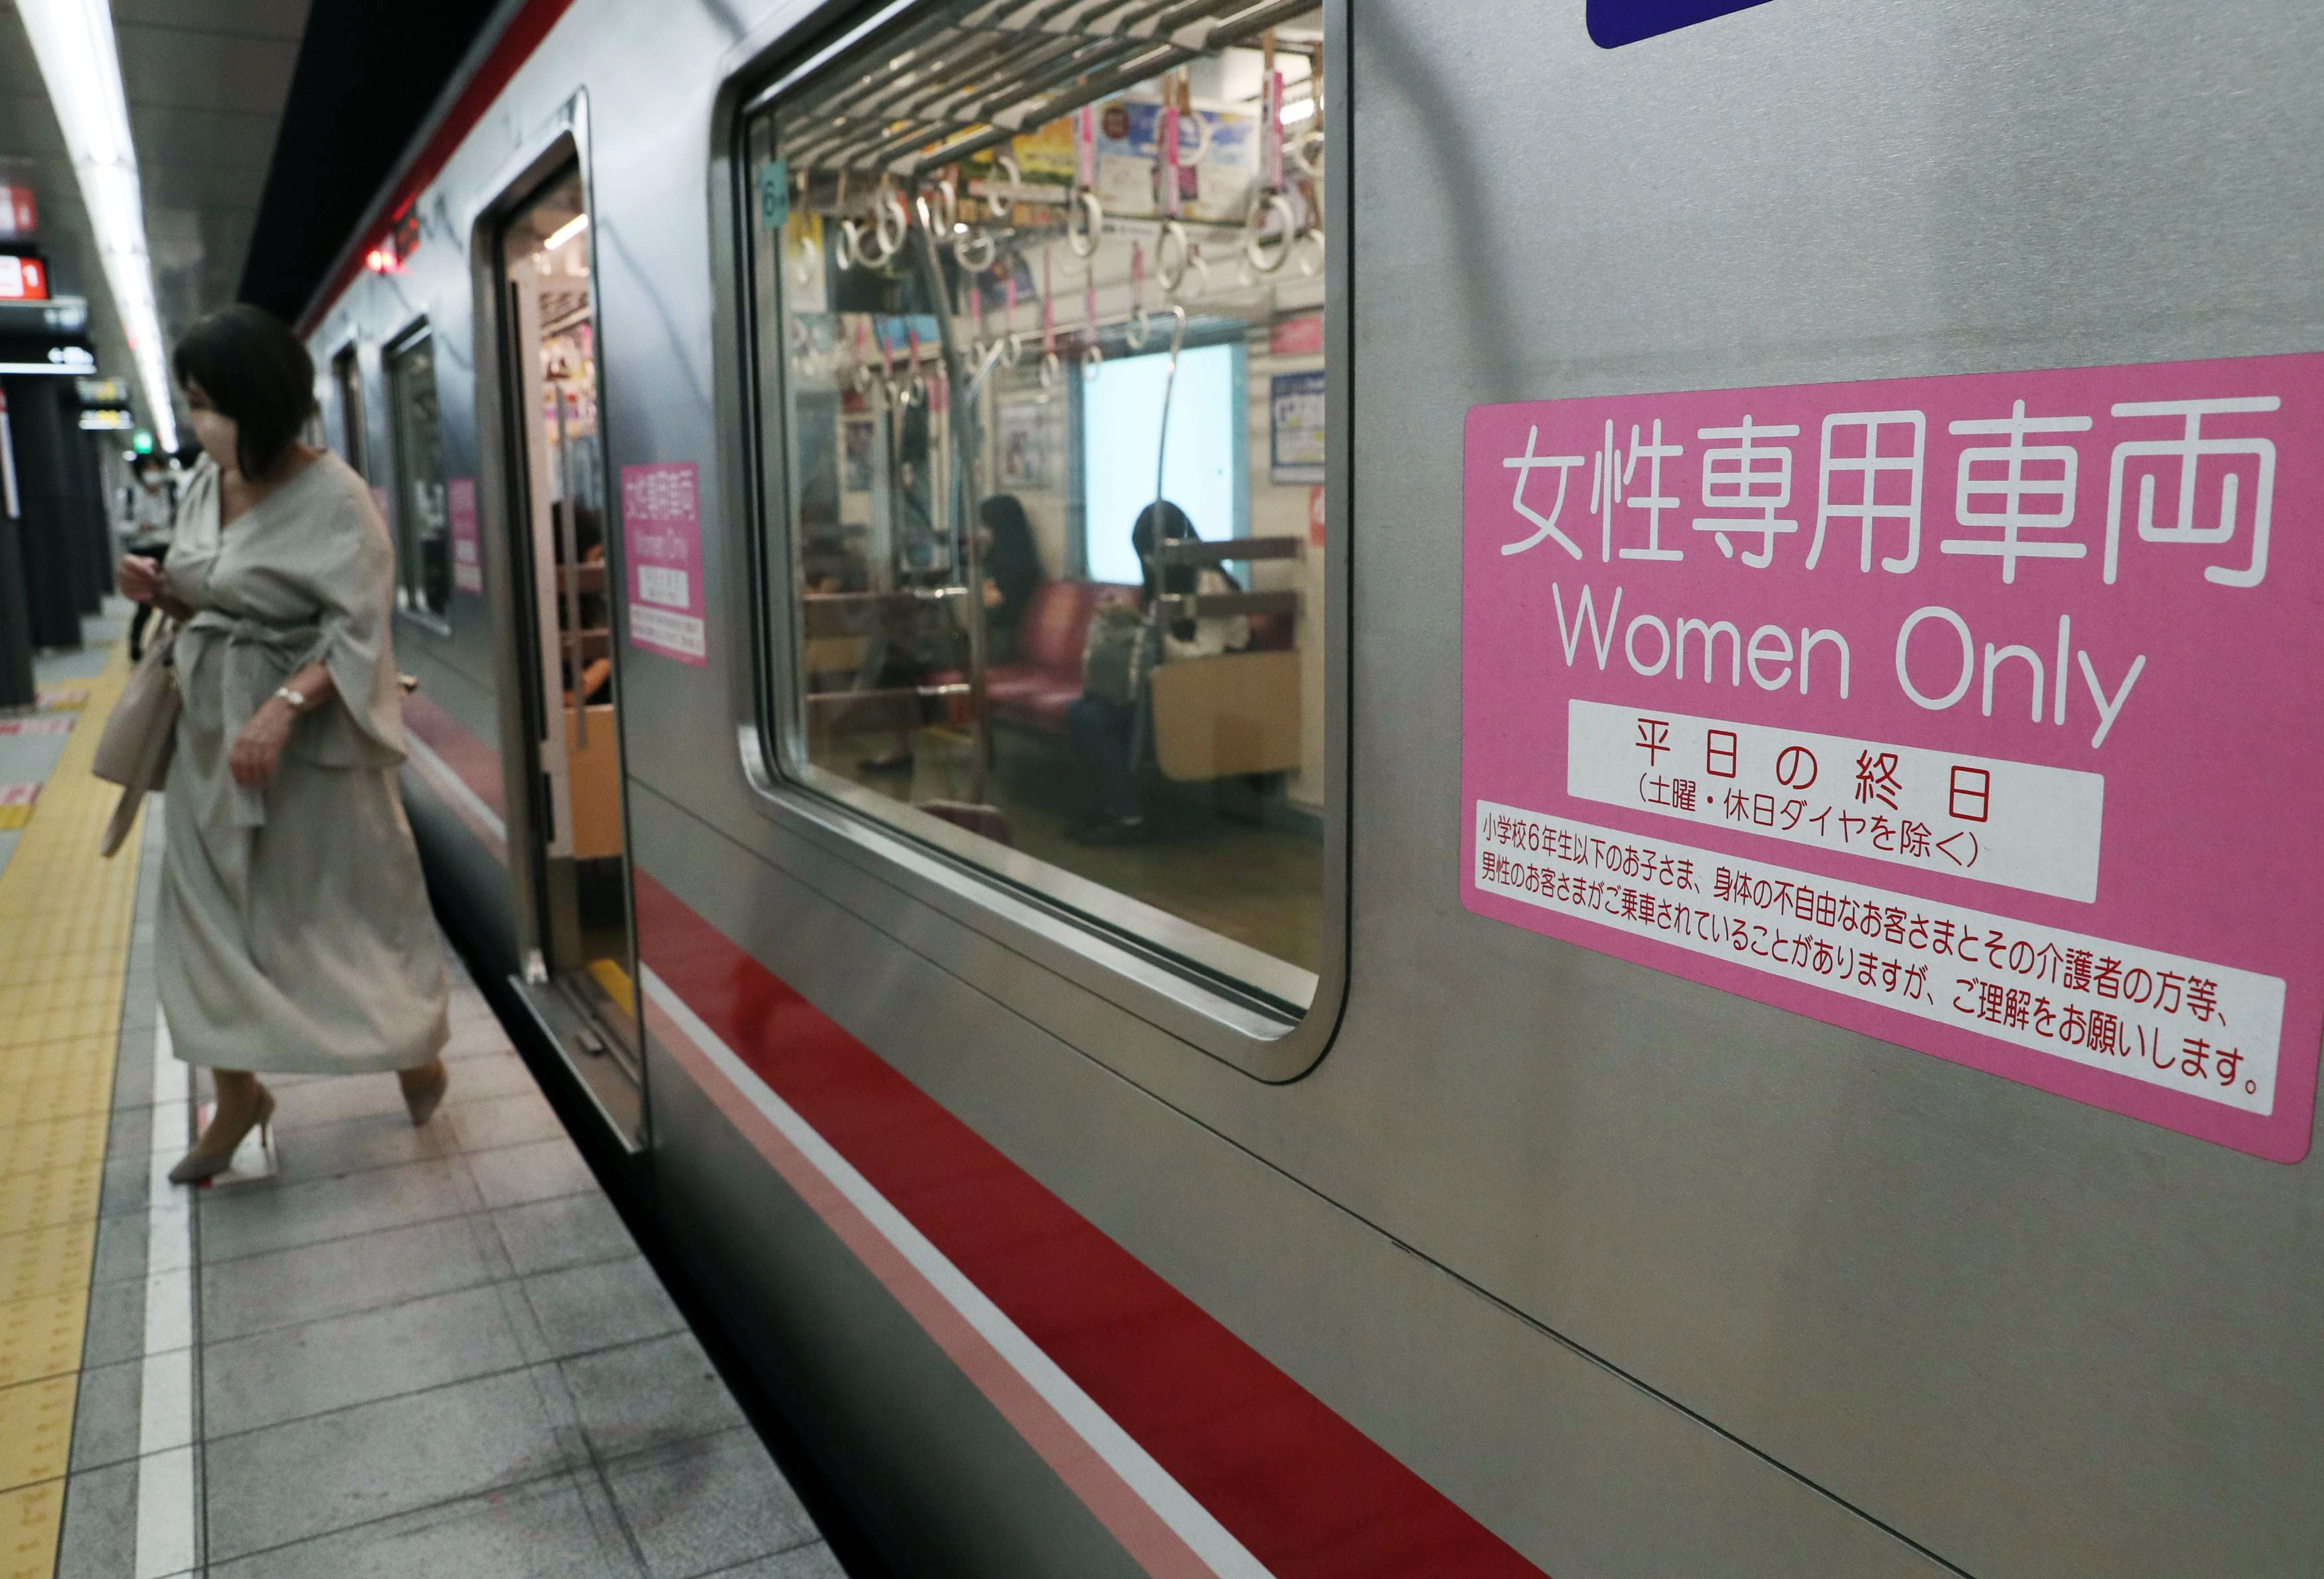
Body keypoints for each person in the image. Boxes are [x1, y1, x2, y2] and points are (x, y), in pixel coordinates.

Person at [115, 304, 451, 1184]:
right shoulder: (203, 482)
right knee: (204, 926)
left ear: (257, 403)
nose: (197, 422)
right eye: (191, 403)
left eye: (208, 403)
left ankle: (410, 1047)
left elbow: (359, 630)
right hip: (208, 745)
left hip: (306, 755)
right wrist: (160, 590)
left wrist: (282, 706)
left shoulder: (337, 498)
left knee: (339, 917)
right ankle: (237, 1094)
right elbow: (214, 597)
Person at [1064, 500, 1249, 845]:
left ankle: (1127, 814)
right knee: (1082, 710)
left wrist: (1154, 635)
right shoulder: (1167, 580)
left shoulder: (1209, 582)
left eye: (1152, 553)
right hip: (1173, 680)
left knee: (1097, 718)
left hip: (1212, 684)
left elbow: (1204, 654)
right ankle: (1111, 807)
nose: (1149, 563)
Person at [977, 493, 1044, 663]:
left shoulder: (1014, 568)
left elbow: (998, 606)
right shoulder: (1015, 558)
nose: (981, 532)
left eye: (986, 526)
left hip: (1007, 634)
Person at [121, 457, 175, 661]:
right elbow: (120, 526)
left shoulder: (171, 494)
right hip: (142, 550)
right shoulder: (128, 496)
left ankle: (169, 644)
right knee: (145, 603)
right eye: (148, 469)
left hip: (167, 549)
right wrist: (138, 528)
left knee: (173, 597)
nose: (153, 472)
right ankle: (135, 644)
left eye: (156, 468)